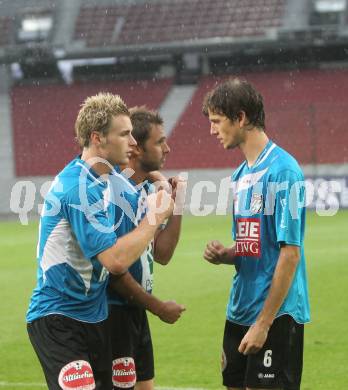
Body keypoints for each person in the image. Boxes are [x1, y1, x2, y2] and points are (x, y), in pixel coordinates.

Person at [26, 93, 173, 390]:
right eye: (125, 134)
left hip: (96, 316)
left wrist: (158, 185)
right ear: (98, 138)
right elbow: (115, 260)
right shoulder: (78, 188)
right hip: (59, 317)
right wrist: (155, 217)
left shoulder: (107, 177)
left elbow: (153, 241)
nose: (133, 142)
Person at [202, 79, 310, 390]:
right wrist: (227, 255)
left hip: (274, 315)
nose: (212, 131)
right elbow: (253, 246)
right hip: (240, 308)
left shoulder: (284, 172)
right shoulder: (241, 175)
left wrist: (264, 324)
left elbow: (290, 252)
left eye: (217, 121)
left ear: (241, 117)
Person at [107, 106, 185, 390]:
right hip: (113, 313)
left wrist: (177, 203)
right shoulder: (115, 195)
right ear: (136, 148)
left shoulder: (146, 190)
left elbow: (162, 254)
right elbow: (113, 272)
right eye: (160, 141)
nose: (167, 148)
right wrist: (159, 307)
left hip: (134, 309)